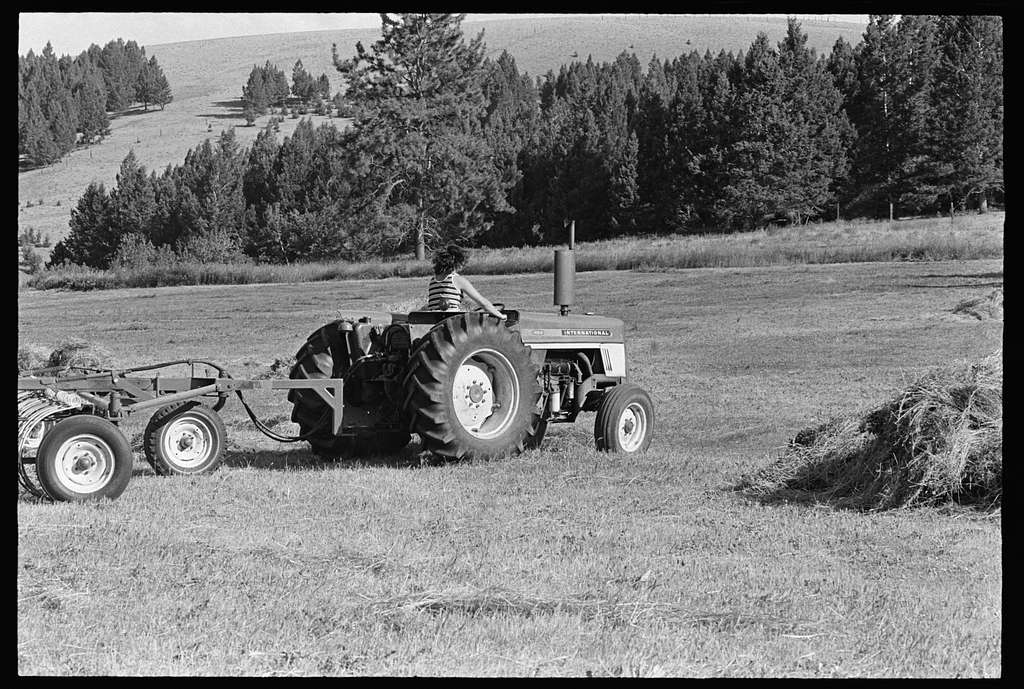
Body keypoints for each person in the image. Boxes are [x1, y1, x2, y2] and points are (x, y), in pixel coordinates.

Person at [422, 244, 506, 320]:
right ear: (457, 262)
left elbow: (433, 305)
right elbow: (482, 302)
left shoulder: (433, 280)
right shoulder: (458, 280)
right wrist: (500, 315)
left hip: (435, 321)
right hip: (452, 322)